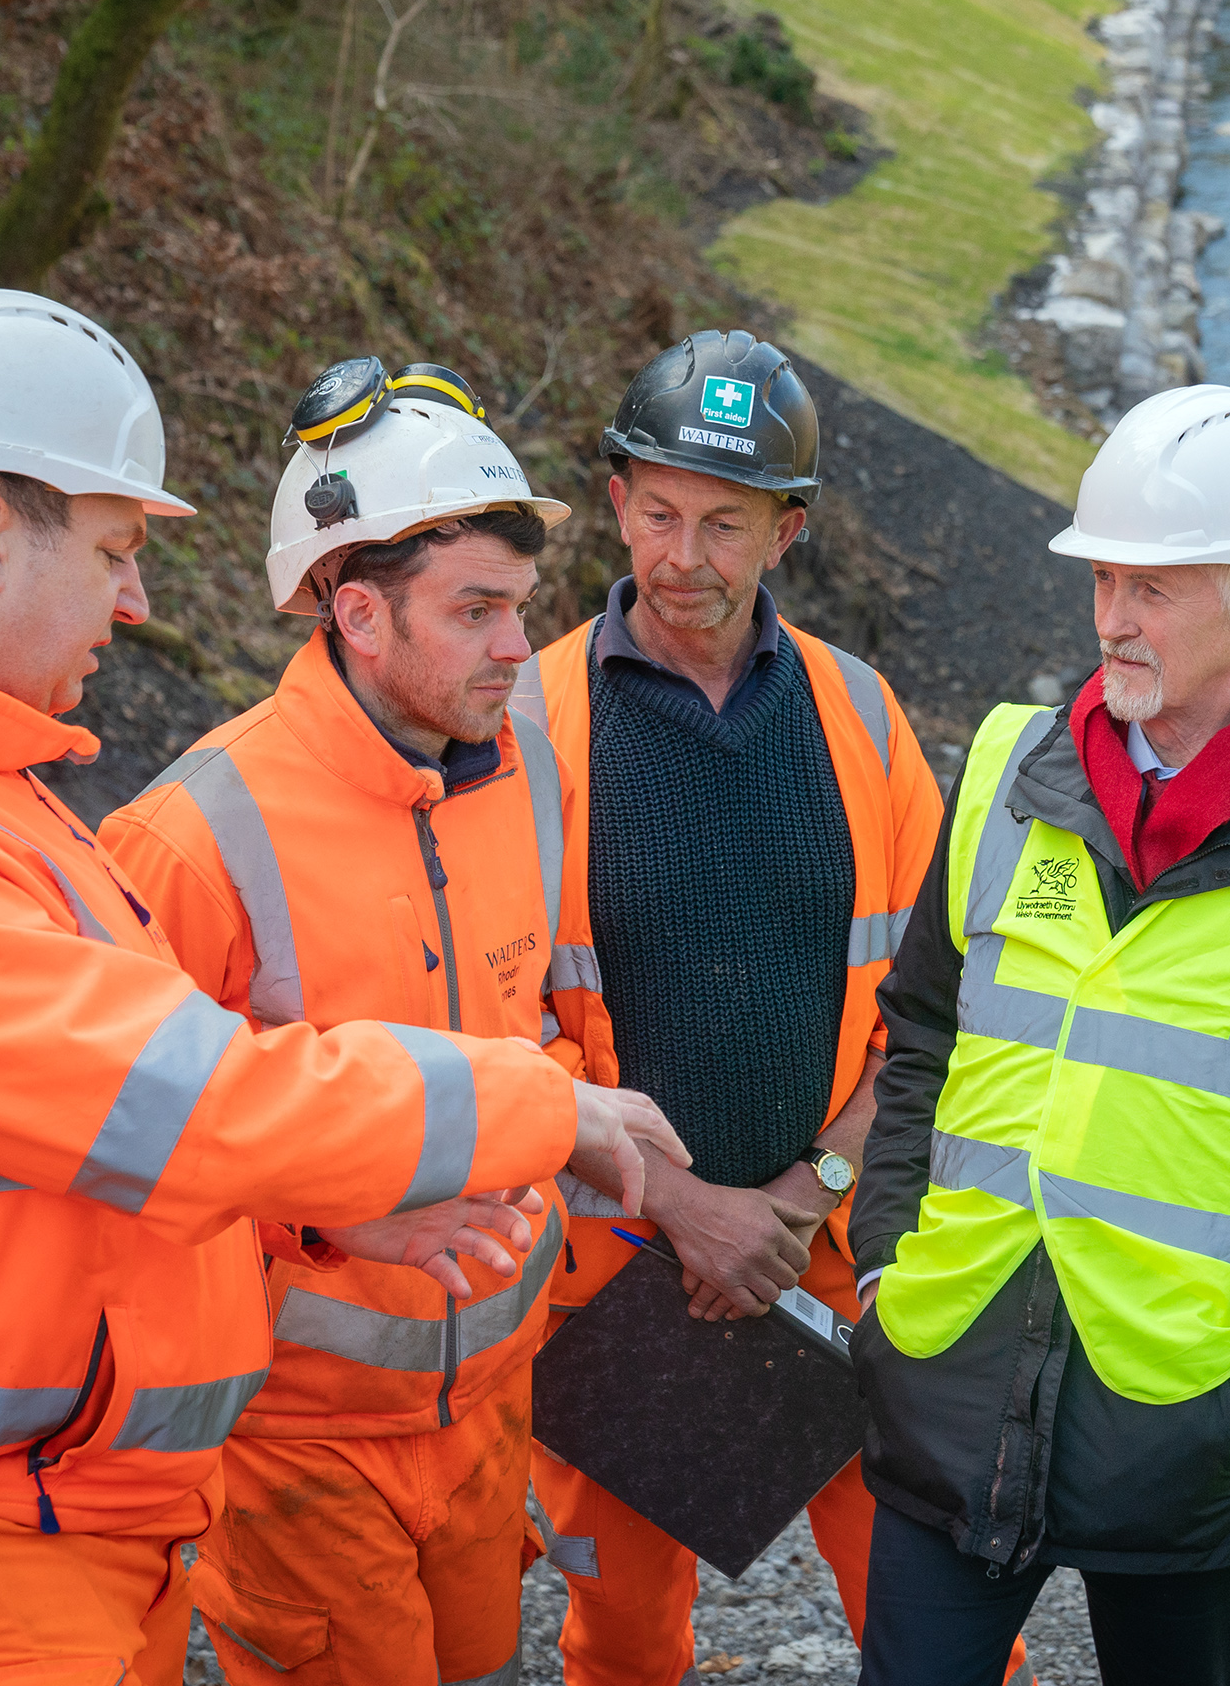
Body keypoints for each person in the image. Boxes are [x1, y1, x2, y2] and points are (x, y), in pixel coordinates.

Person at [0, 291, 680, 1686]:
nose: (139, 602)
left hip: (79, 1509)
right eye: (119, 549)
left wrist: (324, 1229)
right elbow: (199, 1103)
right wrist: (538, 1107)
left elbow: (97, 1145)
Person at [848, 383, 1230, 1686]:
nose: (1113, 620)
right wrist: (884, 1269)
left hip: (1184, 1424)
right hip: (946, 1376)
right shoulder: (1012, 772)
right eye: (1105, 579)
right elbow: (918, 1036)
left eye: (1158, 588)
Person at [509, 331, 1012, 1685]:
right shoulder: (521, 726)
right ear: (614, 501)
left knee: (941, 1613)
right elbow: (496, 1026)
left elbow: (932, 1002)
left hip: (835, 1253)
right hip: (621, 1264)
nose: (686, 556)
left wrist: (805, 1191)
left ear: (786, 532)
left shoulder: (860, 713)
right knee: (620, 1636)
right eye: (660, 512)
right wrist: (687, 1209)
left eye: (726, 522)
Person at [99, 358, 597, 1686]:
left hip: (495, 1410)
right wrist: (321, 1217)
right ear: (361, 615)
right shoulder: (190, 838)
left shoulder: (527, 773)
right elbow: (118, 1167)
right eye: (480, 610)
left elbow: (537, 1021)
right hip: (295, 1443)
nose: (516, 647)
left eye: (524, 608)